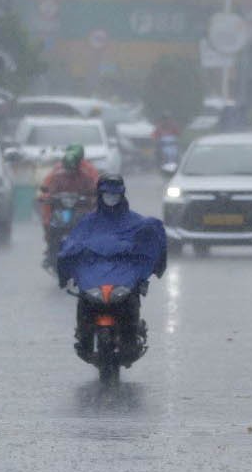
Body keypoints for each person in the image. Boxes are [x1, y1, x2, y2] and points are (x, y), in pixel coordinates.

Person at [56, 175, 168, 362]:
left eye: (115, 194)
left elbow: (150, 238)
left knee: (131, 299)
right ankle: (83, 338)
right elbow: (72, 244)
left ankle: (131, 337)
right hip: (94, 277)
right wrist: (66, 268)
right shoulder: (88, 222)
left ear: (122, 195)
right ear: (100, 195)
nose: (111, 198)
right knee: (84, 302)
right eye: (107, 194)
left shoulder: (135, 222)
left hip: (123, 277)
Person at [37, 145, 101, 271]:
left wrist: (93, 198)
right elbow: (49, 190)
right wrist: (46, 197)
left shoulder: (86, 175)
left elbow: (94, 189)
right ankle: (51, 252)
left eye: (73, 169)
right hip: (61, 211)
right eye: (67, 169)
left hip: (81, 211)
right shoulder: (57, 176)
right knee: (50, 225)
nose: (70, 173)